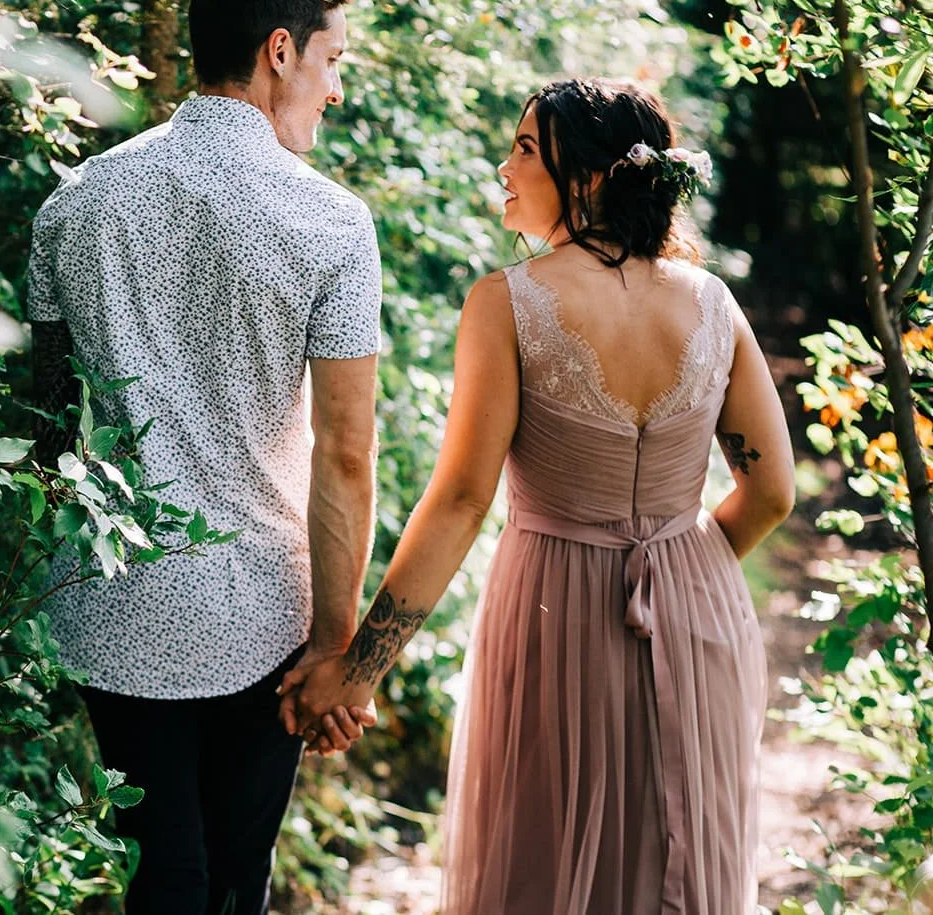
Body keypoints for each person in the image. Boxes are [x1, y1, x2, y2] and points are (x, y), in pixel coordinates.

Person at [278, 78, 795, 913]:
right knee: (677, 856)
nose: (503, 166)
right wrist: (682, 568)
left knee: (546, 864)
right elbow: (772, 491)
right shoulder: (713, 303)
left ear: (589, 177)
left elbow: (460, 502)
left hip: (557, 610)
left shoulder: (505, 303)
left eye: (525, 149)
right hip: (700, 614)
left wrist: (359, 671)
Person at [25, 0, 384, 915]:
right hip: (259, 606)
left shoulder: (78, 199)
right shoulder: (327, 221)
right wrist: (336, 646)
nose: (336, 87)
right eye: (333, 59)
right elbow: (346, 454)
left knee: (163, 868)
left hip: (109, 598)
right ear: (279, 51)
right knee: (233, 874)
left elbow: (46, 415)